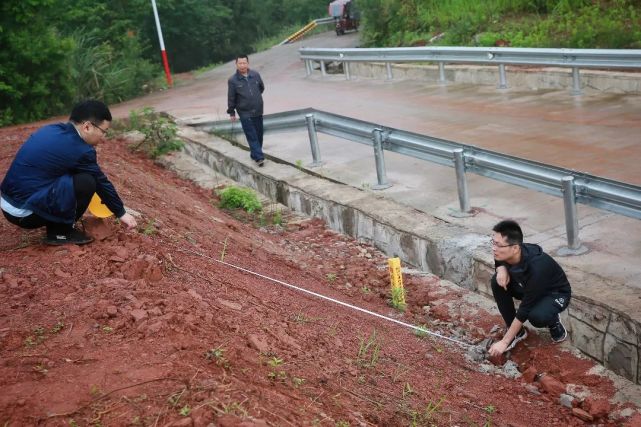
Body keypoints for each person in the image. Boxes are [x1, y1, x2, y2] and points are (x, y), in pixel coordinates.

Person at [1, 100, 137, 245]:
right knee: (87, 182)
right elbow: (100, 182)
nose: (103, 137)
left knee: (71, 177)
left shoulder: (52, 129)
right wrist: (121, 213)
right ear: (87, 127)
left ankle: (55, 224)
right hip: (24, 214)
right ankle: (61, 232)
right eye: (103, 131)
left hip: (8, 203)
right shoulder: (81, 150)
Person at [488, 220, 571, 357]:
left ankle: (553, 320)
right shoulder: (510, 251)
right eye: (493, 242)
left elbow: (524, 309)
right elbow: (499, 257)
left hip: (554, 293)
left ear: (515, 248)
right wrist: (501, 269)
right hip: (528, 287)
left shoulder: (537, 267)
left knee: (536, 316)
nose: (494, 248)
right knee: (497, 282)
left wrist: (504, 342)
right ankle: (518, 333)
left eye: (498, 245)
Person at [227, 54, 266, 167]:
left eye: (244, 63)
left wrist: (255, 98)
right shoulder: (233, 80)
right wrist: (231, 112)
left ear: (248, 63)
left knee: (259, 135)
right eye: (240, 63)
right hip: (244, 112)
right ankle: (259, 158)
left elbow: (261, 88)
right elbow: (231, 97)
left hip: (258, 110)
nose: (242, 65)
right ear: (236, 64)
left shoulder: (255, 75)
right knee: (251, 135)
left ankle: (254, 154)